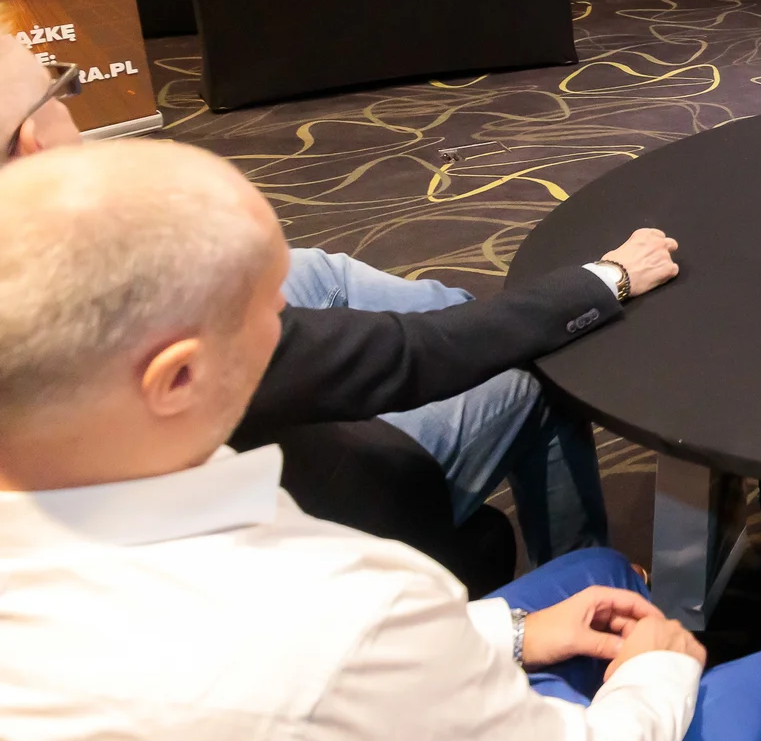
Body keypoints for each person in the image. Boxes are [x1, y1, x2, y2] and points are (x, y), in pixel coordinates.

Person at [0, 139, 761, 741]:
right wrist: (654, 676)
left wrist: (512, 633)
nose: (294, 323)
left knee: (593, 574)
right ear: (178, 377)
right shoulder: (340, 613)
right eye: (269, 310)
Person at [0, 32, 658, 563]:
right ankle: (582, 573)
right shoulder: (133, 309)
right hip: (319, 495)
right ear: (34, 139)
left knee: (317, 271)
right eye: (62, 86)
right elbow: (405, 356)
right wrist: (604, 279)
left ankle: (485, 331)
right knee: (525, 376)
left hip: (219, 435)